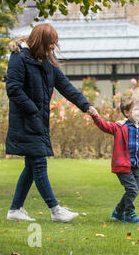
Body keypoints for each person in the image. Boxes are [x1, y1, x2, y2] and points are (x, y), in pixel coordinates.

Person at [5, 23, 92, 223]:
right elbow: (13, 89)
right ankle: (55, 210)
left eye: (54, 43)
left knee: (31, 166)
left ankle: (15, 209)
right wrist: (34, 111)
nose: (53, 47)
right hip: (25, 121)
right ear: (39, 42)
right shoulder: (19, 58)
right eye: (50, 43)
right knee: (39, 163)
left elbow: (65, 86)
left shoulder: (46, 60)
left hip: (38, 121)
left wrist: (87, 106)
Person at [88, 96, 139, 224]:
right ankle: (129, 214)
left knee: (134, 190)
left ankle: (118, 212)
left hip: (135, 166)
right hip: (123, 166)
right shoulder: (120, 127)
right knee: (132, 190)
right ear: (127, 113)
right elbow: (104, 126)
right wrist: (95, 116)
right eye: (136, 109)